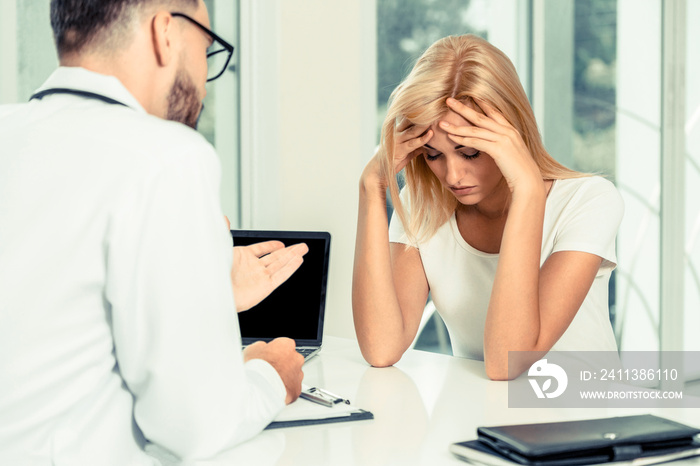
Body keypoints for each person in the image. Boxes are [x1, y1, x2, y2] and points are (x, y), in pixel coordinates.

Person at [0, 0, 308, 463]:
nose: (206, 80)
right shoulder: (166, 156)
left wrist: (205, 295)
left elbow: (48, 328)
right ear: (166, 32)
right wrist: (268, 375)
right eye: (207, 49)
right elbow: (196, 426)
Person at [352, 34, 624, 380]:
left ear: (511, 133)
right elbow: (381, 347)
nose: (453, 175)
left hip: (584, 420)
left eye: (469, 152)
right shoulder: (423, 208)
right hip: (480, 418)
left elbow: (506, 362)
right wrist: (371, 188)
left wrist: (527, 190)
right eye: (433, 155)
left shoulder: (589, 201)